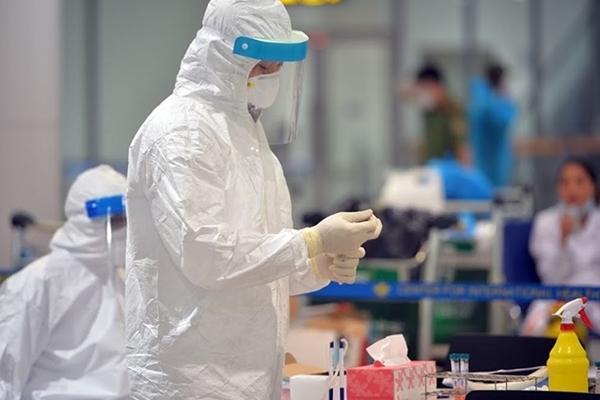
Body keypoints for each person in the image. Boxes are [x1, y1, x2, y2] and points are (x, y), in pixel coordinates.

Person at [125, 1, 382, 399]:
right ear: (222, 58)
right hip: (189, 381)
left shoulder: (247, 136)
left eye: (278, 67)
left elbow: (256, 263)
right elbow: (206, 255)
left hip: (247, 377)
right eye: (262, 66)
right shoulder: (182, 133)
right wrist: (310, 241)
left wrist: (318, 263)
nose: (271, 77)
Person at [0, 165, 129, 399]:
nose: (124, 229)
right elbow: (6, 375)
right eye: (116, 220)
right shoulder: (36, 283)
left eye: (128, 220)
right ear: (84, 220)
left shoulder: (119, 278)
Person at [522, 157, 600, 336]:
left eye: (579, 182)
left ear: (593, 187)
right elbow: (550, 275)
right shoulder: (545, 222)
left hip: (594, 299)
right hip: (553, 296)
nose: (572, 189)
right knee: (535, 329)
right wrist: (563, 240)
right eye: (565, 183)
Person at [400, 63, 468, 164]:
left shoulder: (452, 109)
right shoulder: (431, 109)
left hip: (448, 167)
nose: (422, 95)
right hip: (431, 166)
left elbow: (462, 148)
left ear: (436, 86)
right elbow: (405, 95)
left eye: (425, 88)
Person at [468, 64, 517, 187]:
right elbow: (504, 120)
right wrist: (507, 101)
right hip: (493, 163)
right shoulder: (492, 104)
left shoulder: (478, 98)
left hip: (480, 160)